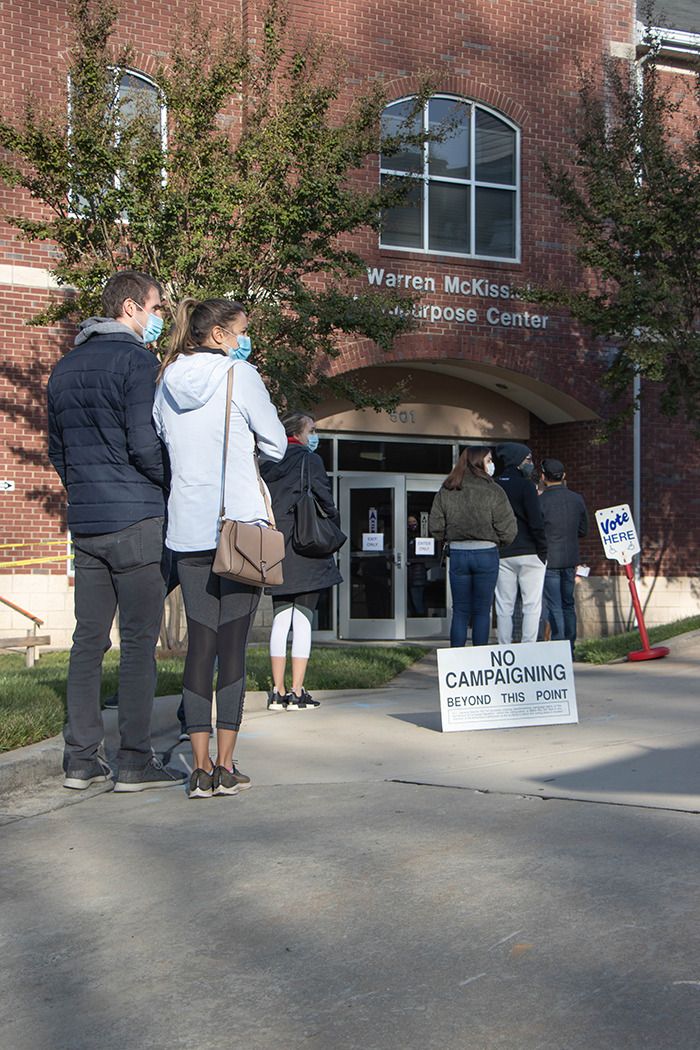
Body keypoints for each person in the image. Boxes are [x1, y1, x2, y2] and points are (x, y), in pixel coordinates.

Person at [48, 269, 186, 792]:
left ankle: (80, 760)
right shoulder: (136, 362)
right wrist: (172, 485)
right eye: (154, 308)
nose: (156, 318)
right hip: (136, 520)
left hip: (87, 523)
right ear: (129, 308)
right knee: (137, 642)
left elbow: (57, 452)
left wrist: (85, 491)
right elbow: (144, 444)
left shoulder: (63, 367)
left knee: (87, 642)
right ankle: (133, 759)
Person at [153, 298, 286, 798]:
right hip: (239, 529)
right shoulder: (239, 375)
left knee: (199, 645)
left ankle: (199, 767)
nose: (243, 341)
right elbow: (274, 443)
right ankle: (227, 767)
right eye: (240, 332)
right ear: (219, 336)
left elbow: (163, 441)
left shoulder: (165, 380)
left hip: (188, 529)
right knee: (233, 645)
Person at [260, 412, 342, 710]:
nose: (314, 434)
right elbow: (325, 500)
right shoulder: (311, 460)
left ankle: (277, 690)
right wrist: (333, 524)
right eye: (312, 429)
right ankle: (297, 692)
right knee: (304, 620)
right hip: (308, 544)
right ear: (299, 432)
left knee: (281, 619)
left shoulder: (267, 462)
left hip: (277, 546)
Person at [429, 447, 517, 646]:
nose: (491, 464)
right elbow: (508, 528)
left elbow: (435, 526)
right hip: (486, 553)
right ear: (479, 462)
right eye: (489, 460)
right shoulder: (493, 489)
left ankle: (457, 661)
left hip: (458, 553)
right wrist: (497, 542)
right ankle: (479, 661)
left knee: (460, 610)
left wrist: (448, 538)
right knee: (482, 610)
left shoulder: (448, 488)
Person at [494, 442, 548, 644]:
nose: (531, 464)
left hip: (503, 552)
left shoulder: (495, 485)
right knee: (532, 605)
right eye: (528, 459)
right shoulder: (526, 486)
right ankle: (528, 650)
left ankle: (504, 649)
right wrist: (543, 550)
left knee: (504, 606)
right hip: (530, 551)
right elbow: (536, 521)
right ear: (517, 461)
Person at [539, 457, 589, 652]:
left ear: (544, 477)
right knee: (568, 603)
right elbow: (584, 530)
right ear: (564, 476)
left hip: (549, 559)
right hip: (570, 558)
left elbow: (536, 531)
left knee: (554, 604)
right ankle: (570, 645)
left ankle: (559, 646)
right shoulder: (577, 499)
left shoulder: (540, 501)